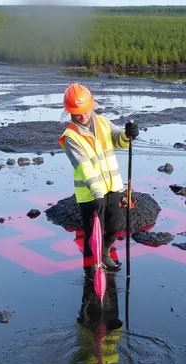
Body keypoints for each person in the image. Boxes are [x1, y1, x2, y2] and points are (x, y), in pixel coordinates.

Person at [58, 82, 139, 272]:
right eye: (78, 112)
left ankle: (105, 252)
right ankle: (91, 264)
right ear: (69, 111)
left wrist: (128, 135)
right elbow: (84, 166)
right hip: (91, 194)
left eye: (86, 110)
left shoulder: (102, 121)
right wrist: (97, 194)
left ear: (91, 106)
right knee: (93, 232)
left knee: (111, 228)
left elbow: (118, 141)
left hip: (112, 188)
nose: (83, 116)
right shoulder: (70, 136)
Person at [70, 267, 122, 364]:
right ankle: (105, 257)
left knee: (91, 283)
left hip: (89, 330)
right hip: (111, 330)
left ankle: (97, 259)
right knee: (109, 282)